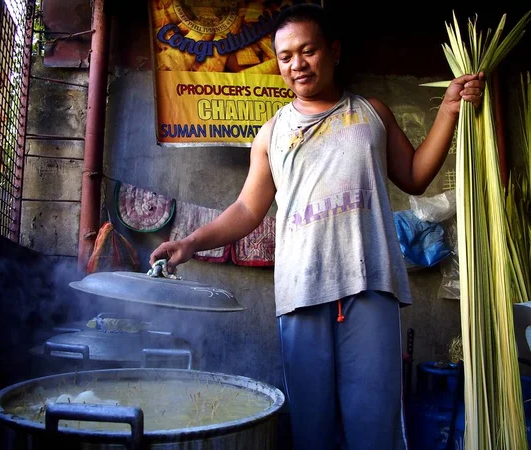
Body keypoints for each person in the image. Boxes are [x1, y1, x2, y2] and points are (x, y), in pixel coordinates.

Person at [150, 4, 485, 449]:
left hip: (370, 285)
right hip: (302, 292)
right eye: (285, 56)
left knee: (373, 428)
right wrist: (190, 243)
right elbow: (248, 210)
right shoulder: (271, 134)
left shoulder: (371, 114)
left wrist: (448, 110)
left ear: (333, 52)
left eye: (307, 51)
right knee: (312, 431)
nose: (296, 64)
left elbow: (416, 176)